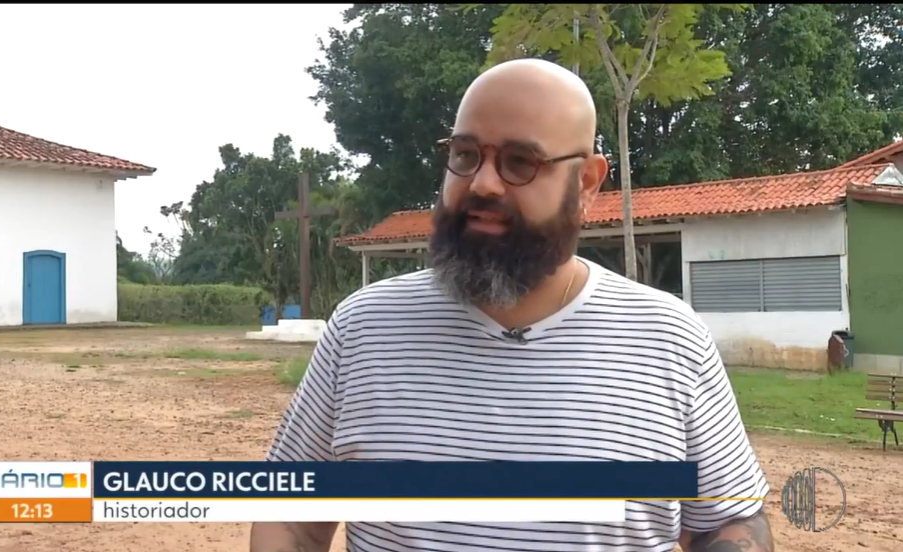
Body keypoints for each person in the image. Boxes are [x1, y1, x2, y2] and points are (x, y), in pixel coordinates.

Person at [250, 58, 774, 552]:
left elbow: (728, 519)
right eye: (465, 154)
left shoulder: (667, 337)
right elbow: (292, 515)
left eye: (520, 162)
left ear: (587, 182)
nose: (482, 183)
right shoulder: (364, 328)